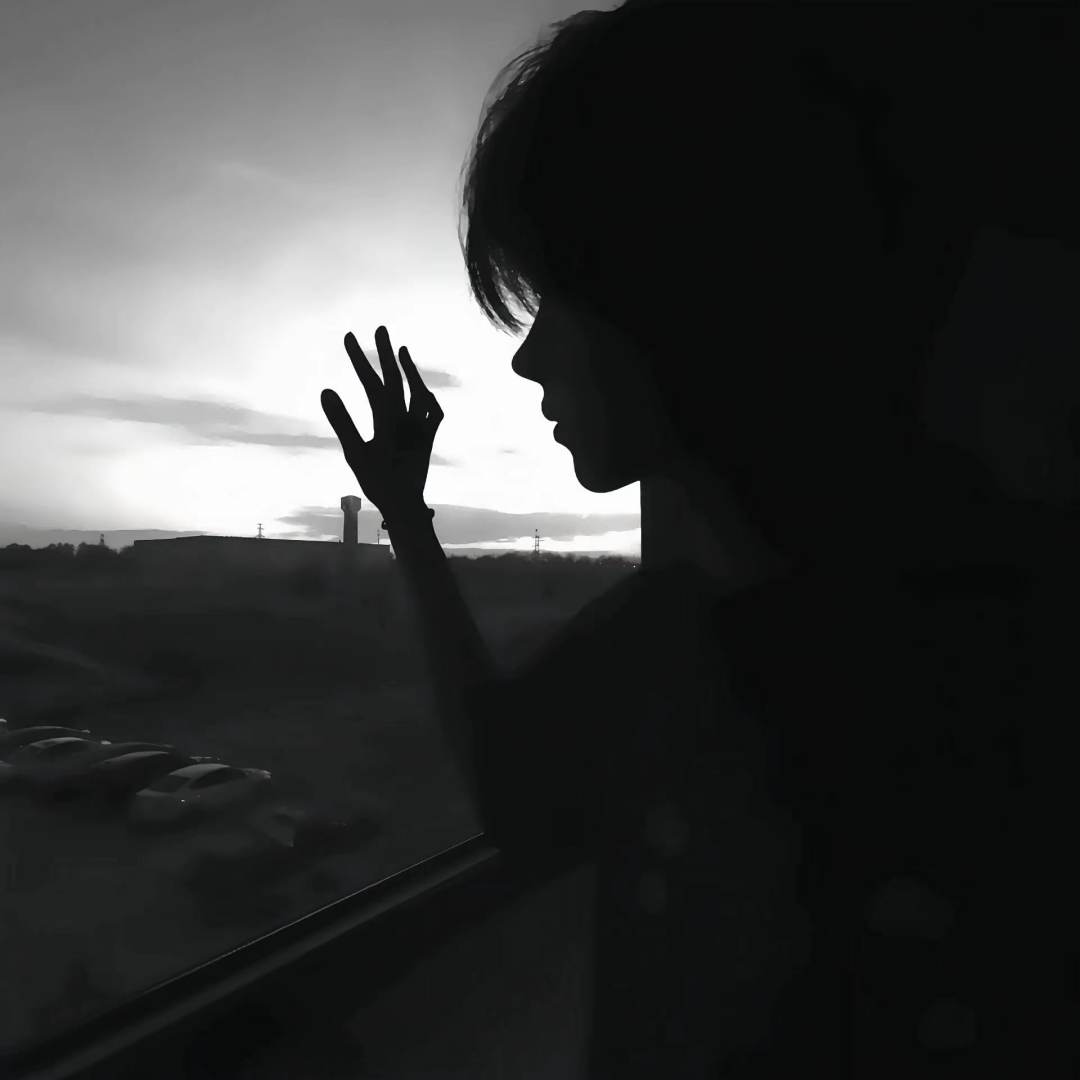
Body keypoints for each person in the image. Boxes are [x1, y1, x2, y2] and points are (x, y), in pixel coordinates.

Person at [322, 3, 1080, 1075]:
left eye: (558, 296)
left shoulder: (983, 668)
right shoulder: (680, 628)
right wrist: (405, 513)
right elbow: (519, 789)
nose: (527, 360)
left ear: (673, 289)